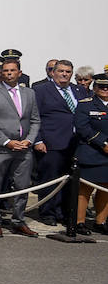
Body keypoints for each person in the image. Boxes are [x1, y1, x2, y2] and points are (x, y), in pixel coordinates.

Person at [0, 56, 41, 237]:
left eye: (12, 70)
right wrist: (7, 141)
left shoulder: (29, 93)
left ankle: (18, 220)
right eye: (5, 71)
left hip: (24, 148)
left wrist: (29, 140)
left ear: (19, 73)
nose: (8, 74)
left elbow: (35, 120)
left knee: (22, 186)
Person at [31, 60, 84, 226]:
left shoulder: (79, 90)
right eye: (61, 71)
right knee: (50, 180)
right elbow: (34, 117)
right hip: (51, 143)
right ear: (53, 72)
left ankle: (66, 213)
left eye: (68, 71)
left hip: (75, 144)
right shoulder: (41, 90)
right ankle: (48, 213)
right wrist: (37, 140)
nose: (64, 74)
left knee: (71, 181)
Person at [71, 73, 108, 237]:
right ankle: (79, 222)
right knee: (85, 189)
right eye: (101, 86)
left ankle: (101, 222)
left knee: (106, 189)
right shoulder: (85, 104)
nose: (105, 89)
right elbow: (82, 128)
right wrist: (103, 143)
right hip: (92, 151)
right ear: (95, 88)